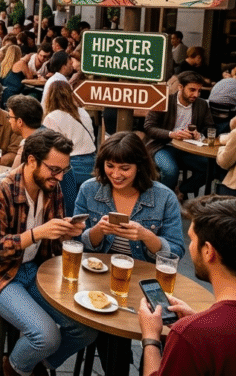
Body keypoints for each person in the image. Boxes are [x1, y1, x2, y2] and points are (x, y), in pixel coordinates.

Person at [0, 129, 98, 376]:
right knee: (46, 336)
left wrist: (65, 233)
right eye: (54, 169)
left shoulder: (52, 188)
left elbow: (50, 246)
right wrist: (38, 233)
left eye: (63, 170)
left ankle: (29, 365)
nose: (59, 177)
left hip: (35, 269)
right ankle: (14, 368)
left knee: (85, 329)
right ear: (31, 161)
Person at [74, 132, 185, 376]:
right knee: (111, 327)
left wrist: (147, 236)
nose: (116, 174)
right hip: (101, 278)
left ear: (140, 166)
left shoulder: (163, 196)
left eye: (125, 168)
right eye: (110, 166)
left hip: (148, 282)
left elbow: (176, 251)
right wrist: (98, 232)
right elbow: (76, 242)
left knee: (171, 329)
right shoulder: (89, 189)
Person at [138, 195, 236, 376]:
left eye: (192, 239)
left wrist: (150, 338)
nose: (190, 247)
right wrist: (200, 319)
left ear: (208, 251)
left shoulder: (192, 336)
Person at [143, 71, 213, 198]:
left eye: (199, 91)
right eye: (192, 90)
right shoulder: (164, 101)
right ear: (180, 87)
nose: (196, 94)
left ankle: (180, 191)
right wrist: (171, 134)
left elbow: (210, 128)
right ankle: (163, 199)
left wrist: (199, 135)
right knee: (170, 171)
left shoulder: (202, 104)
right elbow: (149, 127)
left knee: (209, 168)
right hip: (163, 145)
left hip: (190, 148)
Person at [41, 81, 96, 215]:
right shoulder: (83, 112)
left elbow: (54, 149)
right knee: (87, 209)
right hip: (92, 164)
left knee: (70, 211)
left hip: (72, 167)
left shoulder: (52, 117)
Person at [7, 94, 44, 169]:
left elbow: (13, 177)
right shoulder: (49, 135)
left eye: (10, 117)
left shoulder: (27, 145)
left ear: (20, 122)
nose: (9, 121)